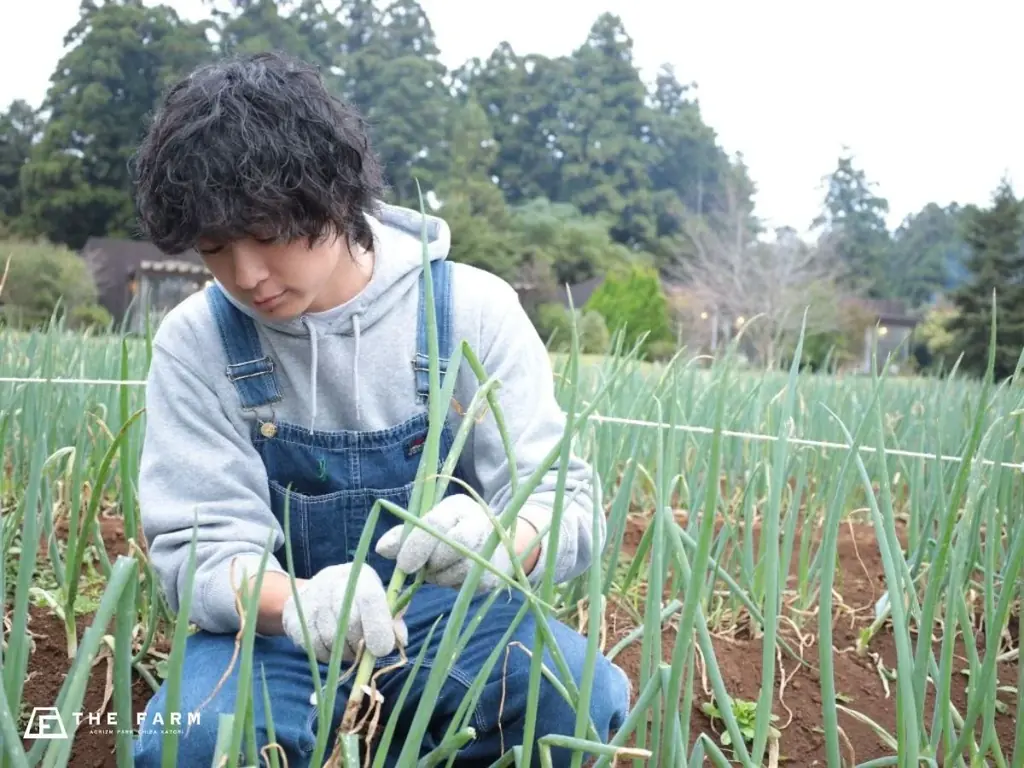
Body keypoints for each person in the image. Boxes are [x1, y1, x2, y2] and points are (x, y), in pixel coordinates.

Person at [128, 51, 630, 767]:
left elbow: (565, 505)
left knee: (574, 695)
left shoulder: (471, 312)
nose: (247, 276)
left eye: (268, 236)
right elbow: (199, 555)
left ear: (335, 198)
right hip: (274, 630)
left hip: (441, 618)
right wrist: (295, 604)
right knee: (197, 742)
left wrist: (501, 539)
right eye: (215, 250)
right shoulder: (198, 339)